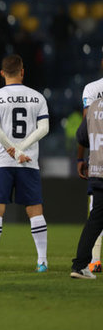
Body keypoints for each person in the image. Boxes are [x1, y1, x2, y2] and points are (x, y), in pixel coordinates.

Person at [0, 54, 49, 273]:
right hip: (28, 161)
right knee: (35, 209)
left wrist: (12, 149)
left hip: (2, 160)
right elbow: (44, 129)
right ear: (22, 71)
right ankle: (42, 261)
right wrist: (21, 150)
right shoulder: (38, 97)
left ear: (2, 73)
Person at [71, 99, 103, 279]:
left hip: (98, 170)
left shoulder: (95, 106)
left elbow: (81, 136)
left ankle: (80, 266)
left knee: (96, 220)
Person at [78, 63, 103, 273]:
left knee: (96, 215)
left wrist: (80, 158)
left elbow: (84, 131)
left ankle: (90, 261)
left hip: (98, 163)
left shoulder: (92, 92)